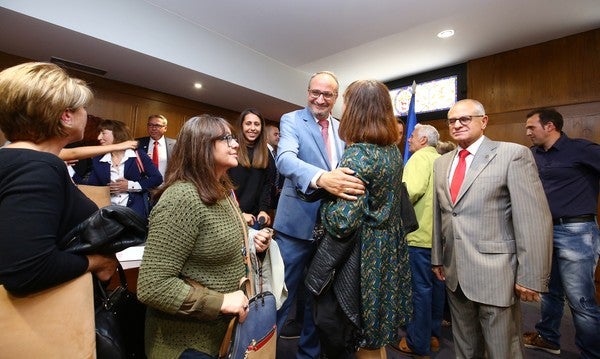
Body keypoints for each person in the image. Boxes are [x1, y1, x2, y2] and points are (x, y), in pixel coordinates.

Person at [136, 114, 274, 358]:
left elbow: (217, 238)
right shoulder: (182, 198)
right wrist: (220, 302)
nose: (235, 144)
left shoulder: (222, 191)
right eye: (226, 138)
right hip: (184, 343)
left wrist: (251, 241)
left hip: (219, 338)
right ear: (202, 146)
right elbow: (153, 286)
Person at [431, 99, 553, 358]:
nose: (457, 125)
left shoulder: (512, 154)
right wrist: (438, 258)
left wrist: (530, 276)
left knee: (502, 348)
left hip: (497, 274)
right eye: (452, 121)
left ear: (483, 121)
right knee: (464, 345)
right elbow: (441, 215)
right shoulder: (441, 164)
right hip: (455, 274)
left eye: (465, 119)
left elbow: (533, 219)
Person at [0, 61, 118, 326]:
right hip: (39, 325)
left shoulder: (14, 160)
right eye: (83, 108)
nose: (87, 115)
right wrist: (97, 261)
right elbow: (26, 270)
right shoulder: (38, 166)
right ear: (66, 116)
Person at [274, 71, 365, 358]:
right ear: (308, 91)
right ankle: (263, 352)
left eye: (327, 94)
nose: (320, 99)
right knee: (281, 297)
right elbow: (285, 160)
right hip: (295, 226)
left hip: (330, 230)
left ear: (336, 98)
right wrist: (322, 178)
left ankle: (308, 354)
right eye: (315, 92)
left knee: (318, 296)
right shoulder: (292, 120)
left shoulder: (342, 129)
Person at [315, 79, 408, 358]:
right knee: (375, 331)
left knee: (358, 331)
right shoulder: (392, 151)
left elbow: (343, 222)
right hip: (388, 247)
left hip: (363, 254)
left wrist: (325, 204)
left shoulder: (358, 155)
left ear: (355, 110)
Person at [522, 108, 600, 358]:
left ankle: (591, 352)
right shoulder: (530, 155)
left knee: (580, 301)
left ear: (550, 126)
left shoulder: (580, 149)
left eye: (532, 127)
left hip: (576, 231)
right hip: (543, 230)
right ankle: (548, 337)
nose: (527, 132)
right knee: (549, 291)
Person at [397, 124, 445, 357]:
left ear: (424, 139)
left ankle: (417, 342)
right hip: (438, 238)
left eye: (413, 136)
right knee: (436, 289)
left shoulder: (418, 159)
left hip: (417, 236)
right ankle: (432, 336)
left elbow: (410, 192)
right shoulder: (441, 159)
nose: (408, 140)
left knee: (418, 291)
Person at [73, 119, 163, 219]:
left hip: (134, 215)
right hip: (107, 215)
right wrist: (68, 170)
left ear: (117, 134)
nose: (99, 137)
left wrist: (131, 185)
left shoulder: (138, 155)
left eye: (103, 133)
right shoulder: (98, 159)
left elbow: (157, 178)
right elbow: (91, 187)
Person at [228, 108, 276, 227]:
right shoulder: (232, 148)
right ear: (241, 126)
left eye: (257, 124)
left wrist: (263, 210)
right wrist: (239, 213)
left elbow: (267, 185)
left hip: (254, 218)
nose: (253, 128)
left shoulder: (266, 152)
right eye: (248, 123)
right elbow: (222, 185)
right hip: (230, 215)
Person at [265, 123, 284, 211]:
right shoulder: (263, 153)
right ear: (267, 136)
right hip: (265, 197)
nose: (278, 137)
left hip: (273, 199)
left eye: (279, 135)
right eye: (275, 134)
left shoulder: (275, 154)